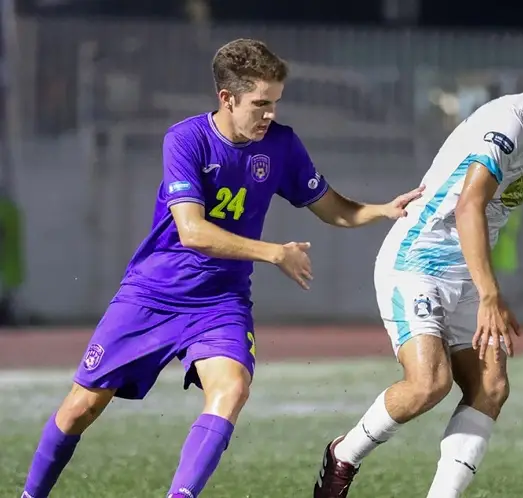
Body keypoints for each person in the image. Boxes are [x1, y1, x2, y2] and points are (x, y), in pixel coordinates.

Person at [19, 38, 423, 498]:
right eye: (260, 104)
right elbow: (192, 231)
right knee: (80, 409)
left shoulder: (282, 145)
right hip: (152, 294)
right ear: (227, 99)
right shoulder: (186, 139)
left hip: (220, 302)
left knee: (231, 388)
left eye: (275, 103)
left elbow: (332, 208)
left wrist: (383, 209)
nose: (269, 115)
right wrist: (273, 252)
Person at [313, 55, 523, 498]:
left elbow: (491, 215)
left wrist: (483, 288)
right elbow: (468, 206)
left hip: (464, 274)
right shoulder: (510, 121)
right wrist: (490, 294)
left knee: (491, 387)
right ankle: (343, 455)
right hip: (416, 260)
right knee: (430, 383)